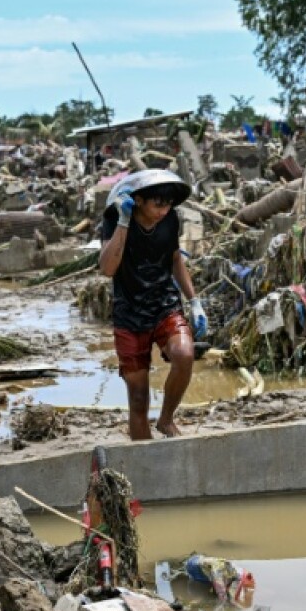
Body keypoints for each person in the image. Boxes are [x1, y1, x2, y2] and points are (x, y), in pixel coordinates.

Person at [99, 170, 207, 440]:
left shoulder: (170, 219)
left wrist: (194, 301)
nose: (164, 210)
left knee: (184, 354)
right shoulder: (114, 219)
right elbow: (108, 268)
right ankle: (144, 458)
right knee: (138, 398)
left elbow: (174, 259)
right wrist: (124, 222)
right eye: (157, 203)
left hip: (164, 304)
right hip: (129, 312)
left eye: (168, 204)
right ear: (138, 201)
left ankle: (166, 419)